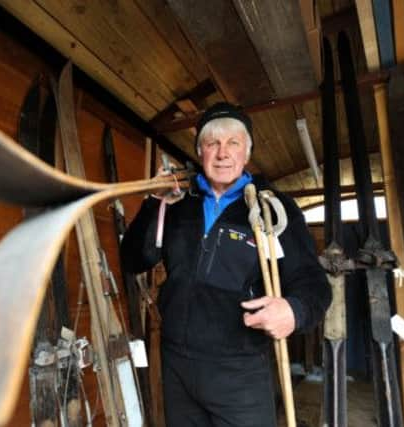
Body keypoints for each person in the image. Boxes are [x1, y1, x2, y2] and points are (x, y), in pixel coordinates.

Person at [121, 102, 331, 426]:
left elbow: (312, 281)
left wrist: (294, 311)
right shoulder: (178, 205)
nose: (222, 153)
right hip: (177, 365)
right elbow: (133, 260)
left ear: (246, 153)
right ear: (200, 152)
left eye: (233, 143)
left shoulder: (271, 207)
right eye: (212, 144)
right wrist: (153, 202)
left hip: (240, 371)